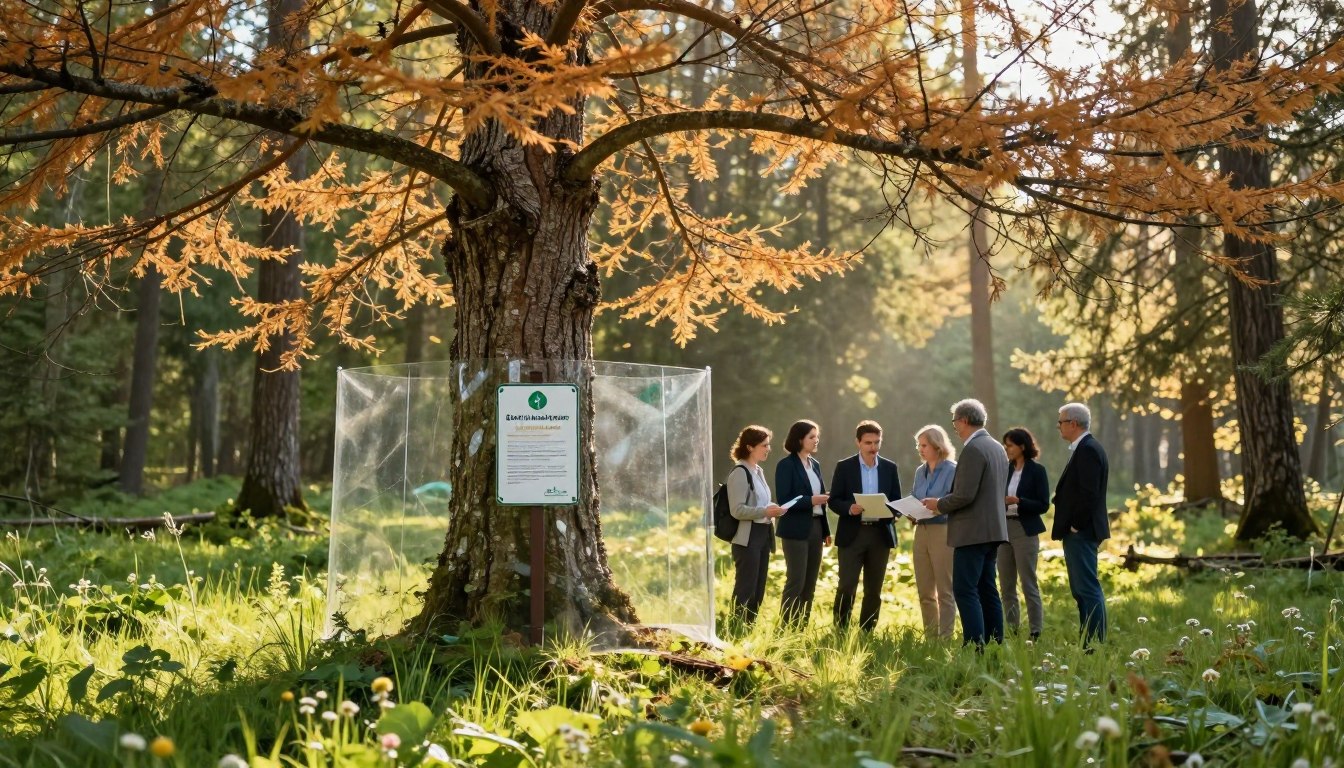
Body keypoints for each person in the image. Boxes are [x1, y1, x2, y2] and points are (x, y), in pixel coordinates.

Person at [922, 399, 1009, 648]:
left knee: (965, 589)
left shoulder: (973, 449)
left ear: (963, 421)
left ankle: (974, 645)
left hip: (972, 531)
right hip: (994, 529)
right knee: (987, 588)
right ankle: (995, 642)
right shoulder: (995, 446)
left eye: (955, 423)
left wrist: (938, 504)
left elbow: (964, 495)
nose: (955, 429)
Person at [828, 420, 902, 632]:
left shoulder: (889, 468)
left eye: (877, 442)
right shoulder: (844, 467)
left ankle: (866, 630)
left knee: (874, 588)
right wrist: (849, 508)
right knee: (847, 585)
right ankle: (840, 628)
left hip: (880, 535)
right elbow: (834, 500)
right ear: (858, 443)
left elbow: (896, 501)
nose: (873, 447)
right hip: (853, 533)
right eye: (868, 442)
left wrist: (893, 513)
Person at [1052, 402, 1110, 647]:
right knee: (1081, 590)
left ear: (1073, 423)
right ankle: (1089, 642)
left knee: (1087, 589)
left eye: (1061, 422)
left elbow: (1089, 493)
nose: (1058, 427)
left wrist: (1076, 524)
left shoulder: (1087, 449)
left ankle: (1094, 644)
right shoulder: (1083, 448)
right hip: (1081, 531)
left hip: (1082, 531)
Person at [726, 425, 785, 627]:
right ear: (750, 447)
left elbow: (758, 503)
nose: (768, 449)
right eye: (764, 445)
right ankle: (735, 626)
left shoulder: (758, 470)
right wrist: (764, 511)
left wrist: (772, 508)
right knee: (746, 587)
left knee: (758, 588)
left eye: (768, 445)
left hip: (762, 535)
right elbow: (737, 510)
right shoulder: (740, 472)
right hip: (747, 538)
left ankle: (749, 627)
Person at [775, 420, 832, 627]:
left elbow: (820, 499)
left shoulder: (814, 465)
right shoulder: (786, 465)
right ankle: (786, 628)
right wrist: (810, 501)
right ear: (799, 439)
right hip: (795, 529)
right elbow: (784, 499)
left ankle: (801, 628)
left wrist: (826, 530)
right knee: (796, 581)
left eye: (817, 436)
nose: (816, 440)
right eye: (811, 437)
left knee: (810, 583)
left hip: (816, 528)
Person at [999, 427, 1050, 642]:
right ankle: (1012, 630)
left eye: (1010, 445)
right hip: (1003, 529)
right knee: (1006, 584)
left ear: (1022, 446)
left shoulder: (1037, 471)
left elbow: (1043, 504)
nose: (1007, 449)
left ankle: (1035, 631)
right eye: (1005, 445)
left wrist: (1018, 501)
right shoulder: (1004, 470)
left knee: (1028, 582)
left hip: (1024, 529)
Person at [909, 424, 958, 640]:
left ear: (937, 445)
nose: (920, 449)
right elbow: (914, 496)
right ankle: (931, 638)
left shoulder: (953, 469)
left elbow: (955, 501)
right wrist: (910, 510)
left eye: (924, 445)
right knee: (925, 590)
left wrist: (936, 505)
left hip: (943, 531)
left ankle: (946, 638)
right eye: (919, 445)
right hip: (921, 531)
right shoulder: (920, 472)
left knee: (945, 591)